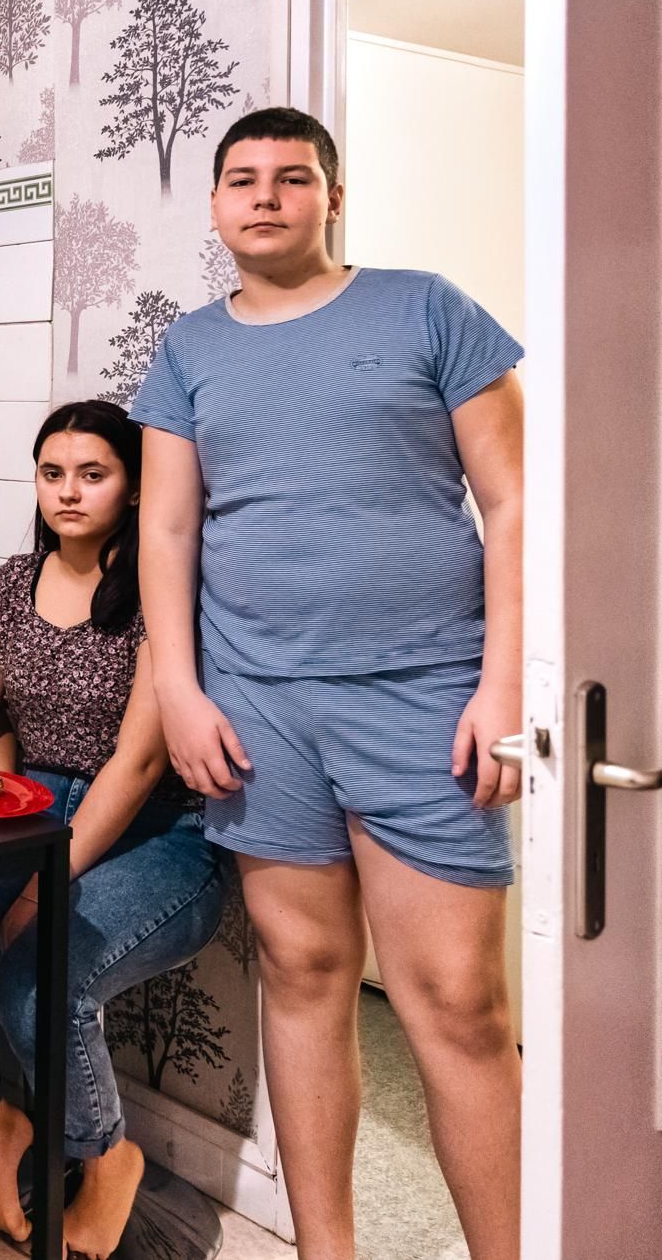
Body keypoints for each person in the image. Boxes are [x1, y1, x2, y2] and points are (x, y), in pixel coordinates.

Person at [134, 107, 524, 1260]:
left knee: (454, 1001)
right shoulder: (187, 348)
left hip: (425, 697)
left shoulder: (424, 307)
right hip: (256, 704)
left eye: (291, 178)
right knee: (301, 971)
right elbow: (164, 529)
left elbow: (510, 504)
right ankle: (325, 1250)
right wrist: (179, 693)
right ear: (212, 206)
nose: (264, 196)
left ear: (330, 198)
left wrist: (504, 686)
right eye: (241, 179)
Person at [0, 401, 226, 1255]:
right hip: (24, 810)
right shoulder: (10, 584)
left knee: (40, 978)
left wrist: (40, 883)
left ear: (133, 488)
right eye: (52, 473)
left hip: (159, 833)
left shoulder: (158, 594)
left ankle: (108, 1158)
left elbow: (137, 767)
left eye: (93, 474)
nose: (69, 492)